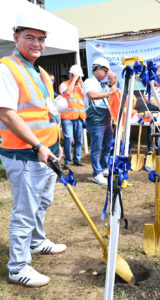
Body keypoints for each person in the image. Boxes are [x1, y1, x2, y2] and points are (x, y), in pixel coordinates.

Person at [0, 12, 66, 287]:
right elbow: (6, 114)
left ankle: (37, 243)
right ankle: (17, 267)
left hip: (46, 151)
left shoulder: (39, 72)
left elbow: (46, 112)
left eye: (41, 38)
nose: (37, 43)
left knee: (42, 203)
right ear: (16, 37)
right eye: (30, 37)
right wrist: (38, 145)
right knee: (25, 211)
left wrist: (55, 144)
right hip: (25, 154)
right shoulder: (7, 68)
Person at [83, 57, 117, 185]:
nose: (106, 74)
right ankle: (96, 173)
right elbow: (91, 95)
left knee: (108, 145)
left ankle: (103, 168)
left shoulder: (101, 84)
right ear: (98, 69)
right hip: (96, 119)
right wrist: (109, 92)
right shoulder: (89, 82)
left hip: (106, 118)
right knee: (97, 148)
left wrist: (112, 84)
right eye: (105, 71)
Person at [59, 65, 86, 169]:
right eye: (77, 77)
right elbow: (67, 93)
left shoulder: (80, 87)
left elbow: (87, 97)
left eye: (79, 77)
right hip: (67, 117)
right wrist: (74, 80)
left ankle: (77, 159)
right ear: (71, 75)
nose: (79, 79)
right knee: (69, 138)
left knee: (79, 140)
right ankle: (67, 160)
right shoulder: (64, 84)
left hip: (79, 116)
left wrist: (82, 85)